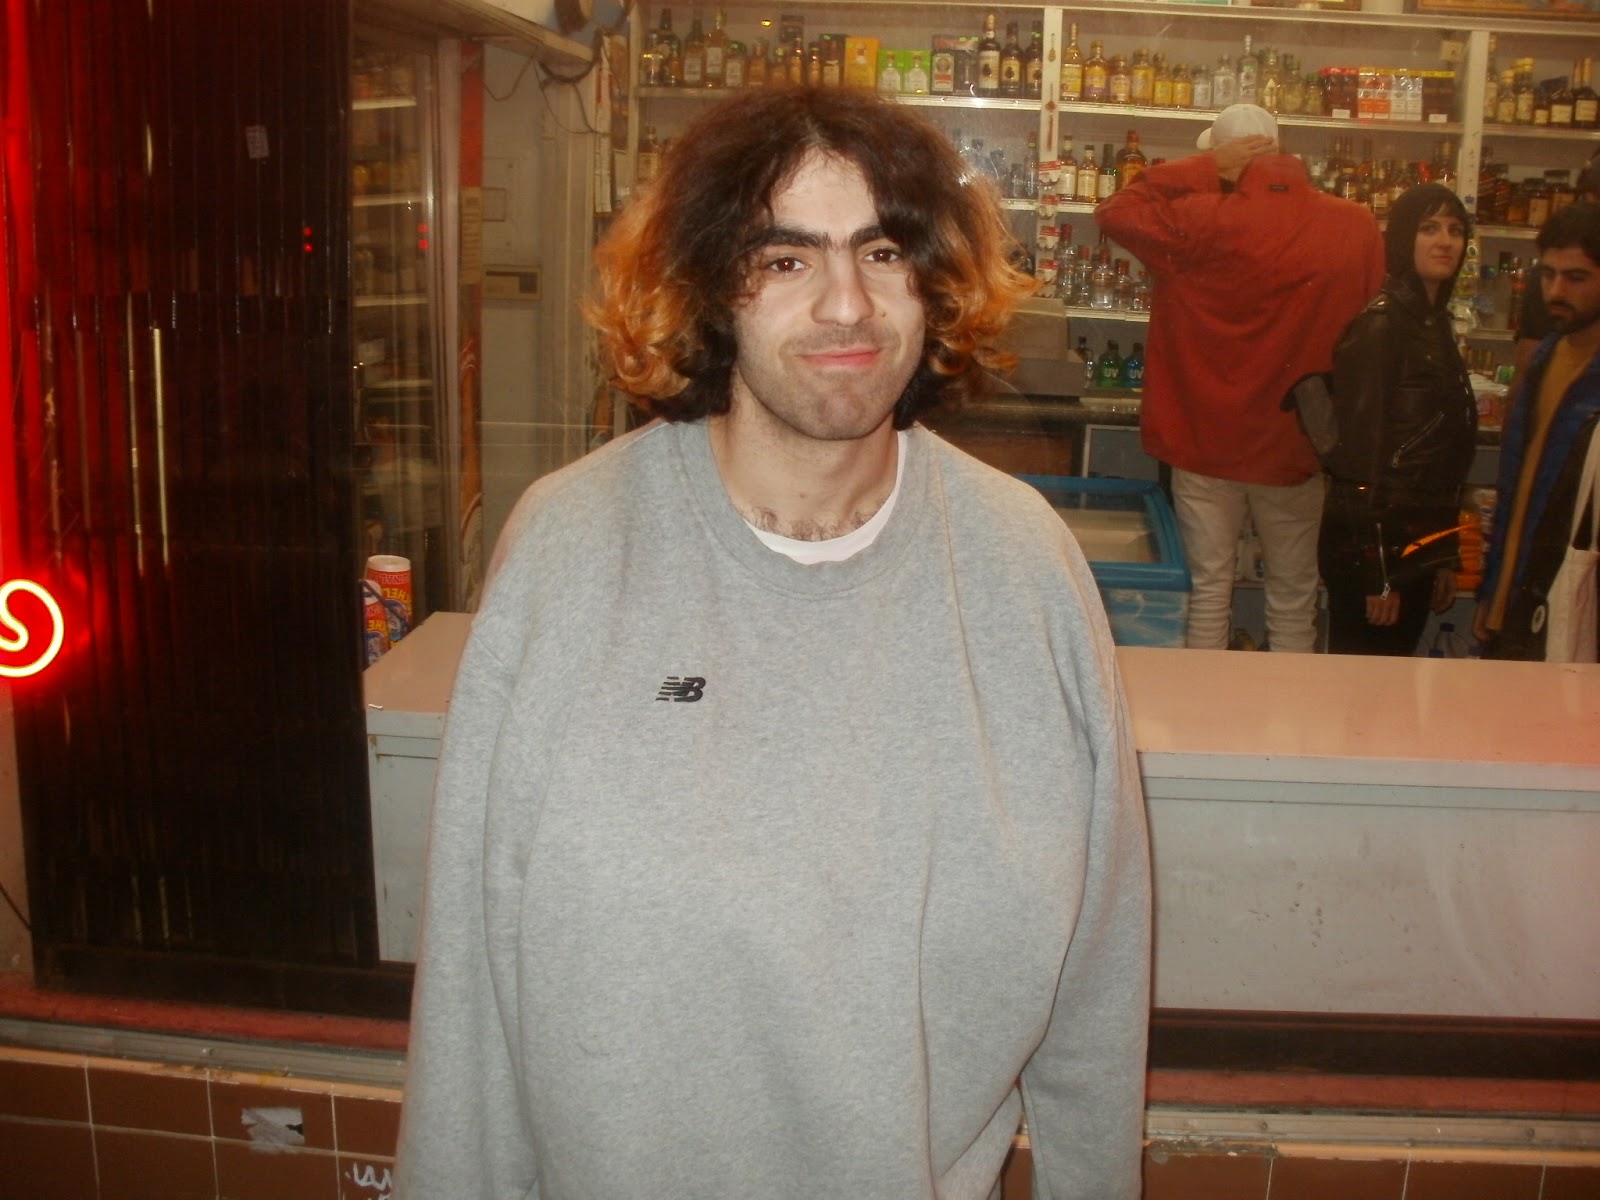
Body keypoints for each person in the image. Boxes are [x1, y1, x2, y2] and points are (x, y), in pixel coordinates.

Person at [395, 86, 1152, 1200]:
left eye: (883, 253)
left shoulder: (1022, 565)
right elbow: (470, 962)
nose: (848, 304)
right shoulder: (571, 549)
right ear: (706, 289)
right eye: (785, 259)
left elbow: (1099, 970)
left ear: (934, 284)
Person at [1096, 103, 1385, 652]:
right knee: (1295, 597)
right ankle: (1285, 707)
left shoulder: (1196, 220)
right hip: (1297, 441)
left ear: (1225, 157)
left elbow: (1115, 210)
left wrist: (1204, 169)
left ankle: (1207, 705)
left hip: (1204, 438)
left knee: (1208, 589)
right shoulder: (1355, 225)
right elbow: (1366, 330)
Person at [1315, 184, 1479, 655]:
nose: (1445, 241)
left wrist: (1442, 556)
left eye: (1455, 230)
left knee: (1393, 688)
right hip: (1374, 553)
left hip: (1415, 548)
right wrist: (1378, 573)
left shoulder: (1434, 326)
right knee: (1362, 689)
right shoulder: (1381, 327)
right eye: (1429, 228)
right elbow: (1358, 463)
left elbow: (1441, 460)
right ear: (1405, 237)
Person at [1477, 200, 1600, 658]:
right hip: (1523, 603)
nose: (1557, 290)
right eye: (1548, 275)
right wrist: (1494, 591)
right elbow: (1516, 490)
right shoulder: (1547, 357)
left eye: (1576, 277)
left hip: (1577, 611)